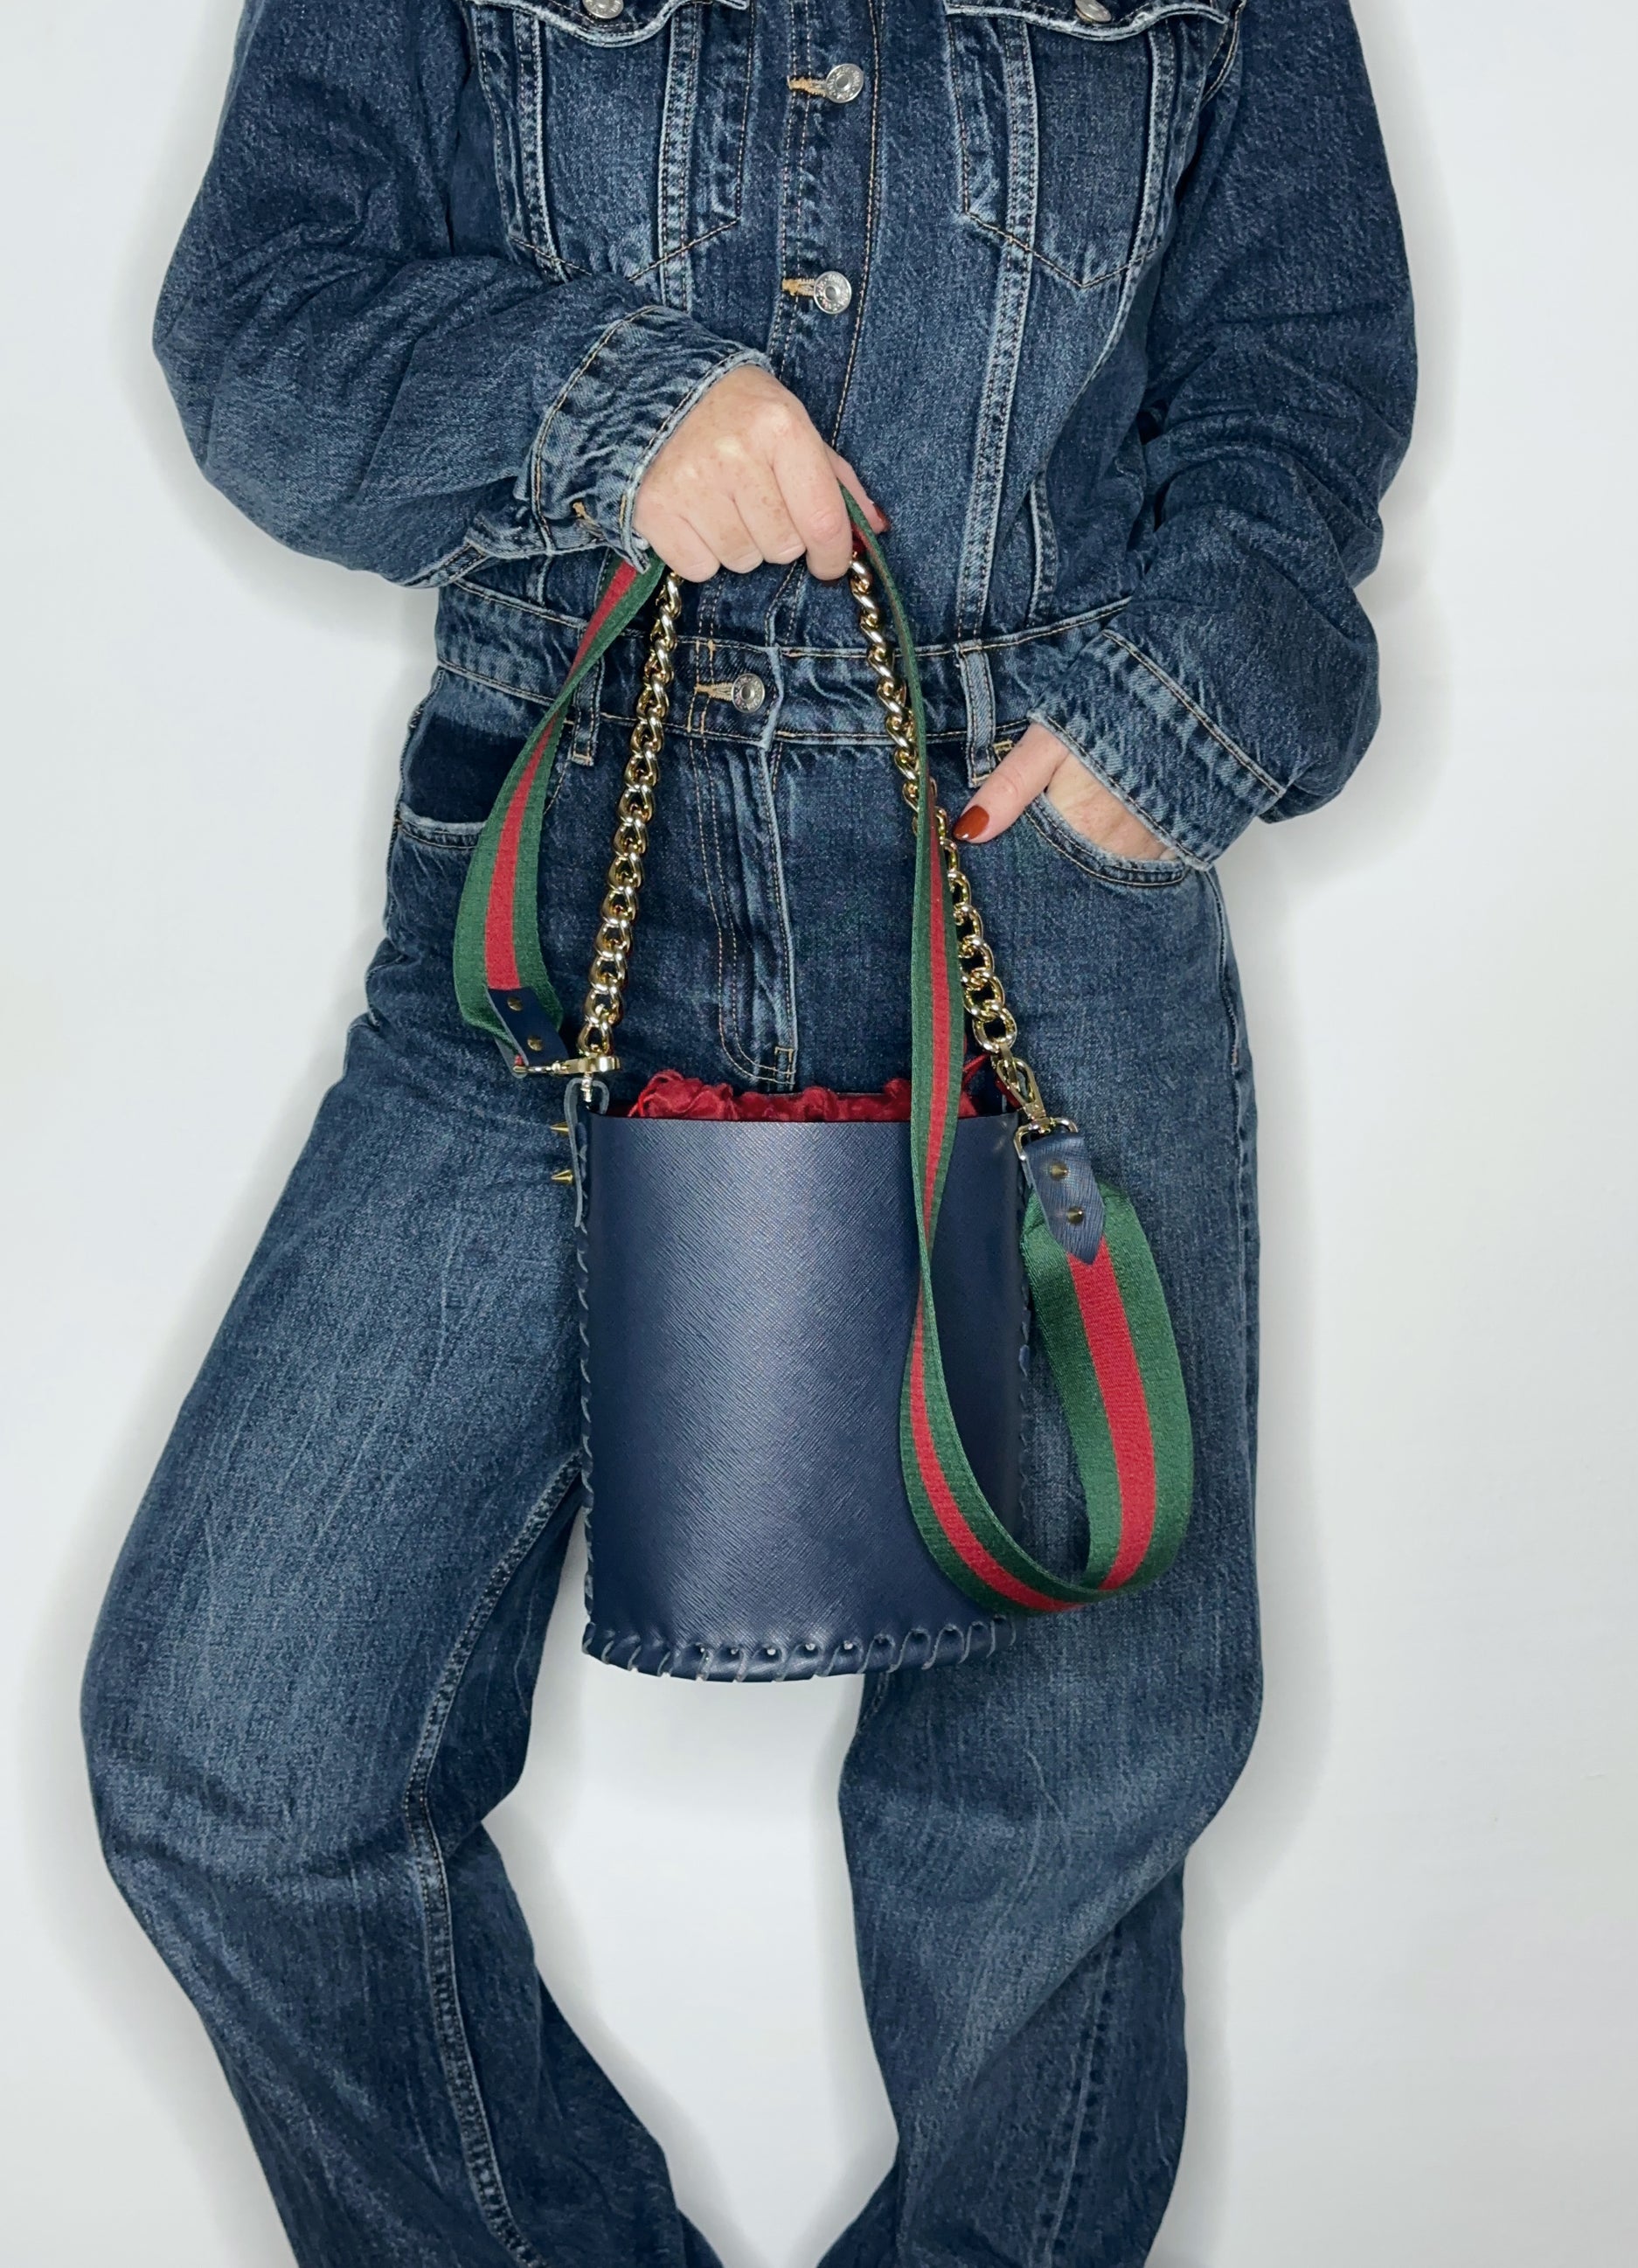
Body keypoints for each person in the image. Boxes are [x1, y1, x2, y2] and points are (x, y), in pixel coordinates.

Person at [81, 2, 1414, 2261]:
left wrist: (1174, 714)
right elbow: (262, 324)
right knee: (242, 1756)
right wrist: (609, 404)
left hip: (1031, 876)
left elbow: (1296, 370)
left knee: (1048, 1838)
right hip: (557, 872)